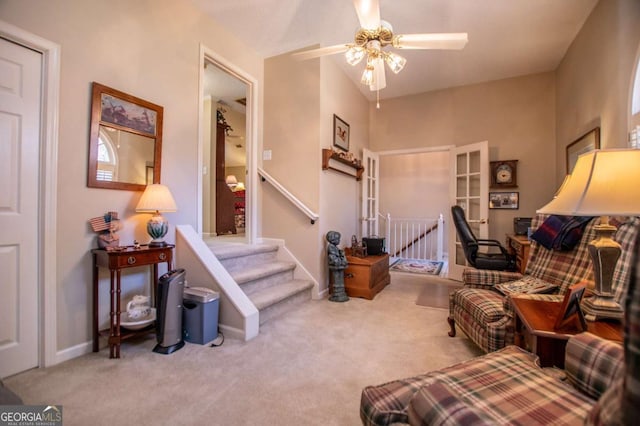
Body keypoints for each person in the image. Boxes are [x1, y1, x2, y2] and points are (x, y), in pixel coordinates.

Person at [326, 231, 349, 302]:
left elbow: (339, 254)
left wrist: (342, 255)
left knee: (340, 279)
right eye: (338, 239)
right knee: (337, 279)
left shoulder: (335, 247)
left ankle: (340, 293)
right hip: (335, 265)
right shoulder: (331, 247)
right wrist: (340, 261)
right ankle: (337, 294)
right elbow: (333, 258)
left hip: (339, 265)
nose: (339, 241)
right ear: (332, 240)